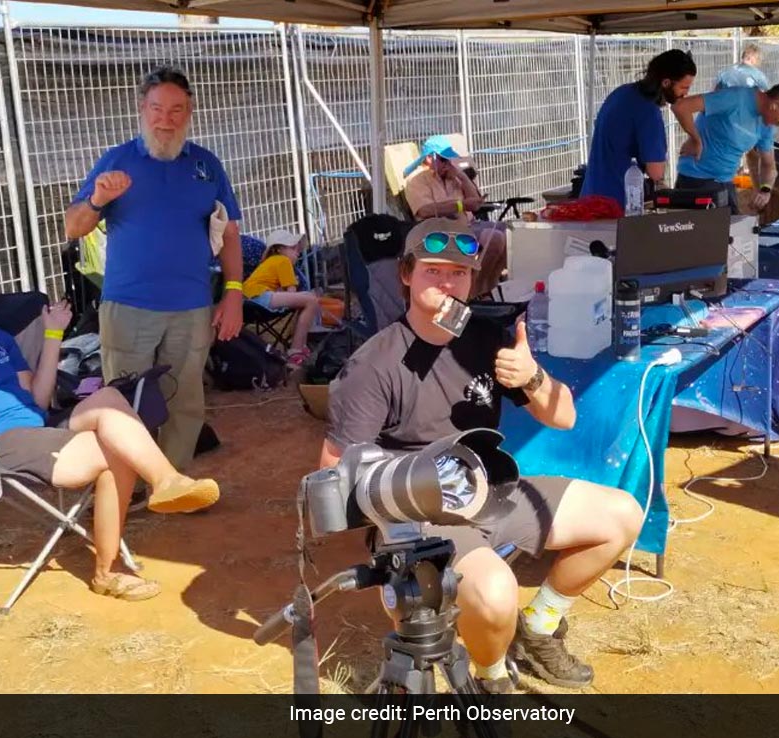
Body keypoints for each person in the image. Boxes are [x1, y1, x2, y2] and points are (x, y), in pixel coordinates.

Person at [320, 218, 643, 693]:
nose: (448, 283)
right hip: (419, 511)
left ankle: (539, 628)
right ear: (406, 275)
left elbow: (565, 417)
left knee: (621, 516)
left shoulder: (485, 338)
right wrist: (397, 544)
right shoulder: (373, 364)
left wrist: (531, 377)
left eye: (459, 273)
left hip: (490, 490)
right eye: (434, 271)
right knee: (495, 597)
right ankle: (491, 676)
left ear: (473, 281)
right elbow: (332, 473)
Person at [0, 255, 222, 600]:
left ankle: (166, 480)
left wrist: (53, 332)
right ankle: (107, 571)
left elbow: (38, 400)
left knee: (108, 397)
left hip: (36, 425)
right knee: (114, 453)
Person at [64, 65, 243, 471]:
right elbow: (73, 226)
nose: (166, 120)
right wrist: (96, 200)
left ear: (190, 112)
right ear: (142, 109)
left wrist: (234, 294)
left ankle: (173, 482)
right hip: (129, 307)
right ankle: (129, 485)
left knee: (185, 402)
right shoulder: (117, 160)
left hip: (192, 307)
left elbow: (229, 234)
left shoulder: (206, 165)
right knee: (124, 402)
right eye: (158, 109)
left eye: (177, 110)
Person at [581, 49, 697, 206]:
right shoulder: (648, 112)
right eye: (684, 88)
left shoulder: (621, 93)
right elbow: (656, 172)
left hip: (590, 194)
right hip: (616, 203)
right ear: (666, 83)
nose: (685, 94)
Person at [671, 81, 779, 214]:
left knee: (737, 233)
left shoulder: (766, 125)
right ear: (774, 105)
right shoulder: (736, 98)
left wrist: (765, 190)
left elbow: (769, 166)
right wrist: (695, 139)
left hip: (724, 182)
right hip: (696, 179)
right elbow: (681, 107)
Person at [403, 136, 507, 299]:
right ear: (430, 158)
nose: (448, 164)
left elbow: (475, 204)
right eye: (444, 160)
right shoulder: (417, 181)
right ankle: (471, 294)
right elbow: (424, 210)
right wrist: (460, 205)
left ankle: (486, 288)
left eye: (449, 160)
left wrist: (462, 176)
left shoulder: (451, 176)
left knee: (510, 232)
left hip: (468, 225)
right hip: (443, 231)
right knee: (493, 238)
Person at [243, 230, 321, 368]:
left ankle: (299, 348)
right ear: (278, 249)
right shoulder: (283, 261)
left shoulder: (271, 262)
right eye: (292, 247)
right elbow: (292, 291)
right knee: (311, 300)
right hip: (260, 297)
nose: (297, 251)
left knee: (307, 299)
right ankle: (297, 350)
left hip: (249, 299)